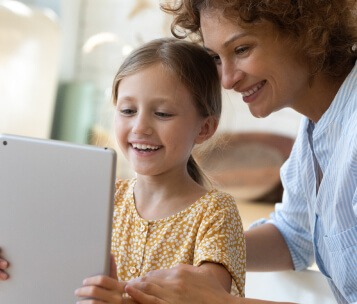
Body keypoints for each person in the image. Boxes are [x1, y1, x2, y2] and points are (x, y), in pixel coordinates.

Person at [113, 1, 356, 304]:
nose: (227, 80)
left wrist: (224, 301)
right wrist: (190, 242)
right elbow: (294, 237)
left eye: (241, 50)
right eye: (216, 57)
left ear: (305, 31)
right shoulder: (316, 133)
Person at [0, 38, 246, 302]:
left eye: (162, 113)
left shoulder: (216, 213)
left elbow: (209, 300)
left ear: (205, 128)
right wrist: (13, 262)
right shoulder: (101, 198)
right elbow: (51, 272)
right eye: (128, 110)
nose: (140, 127)